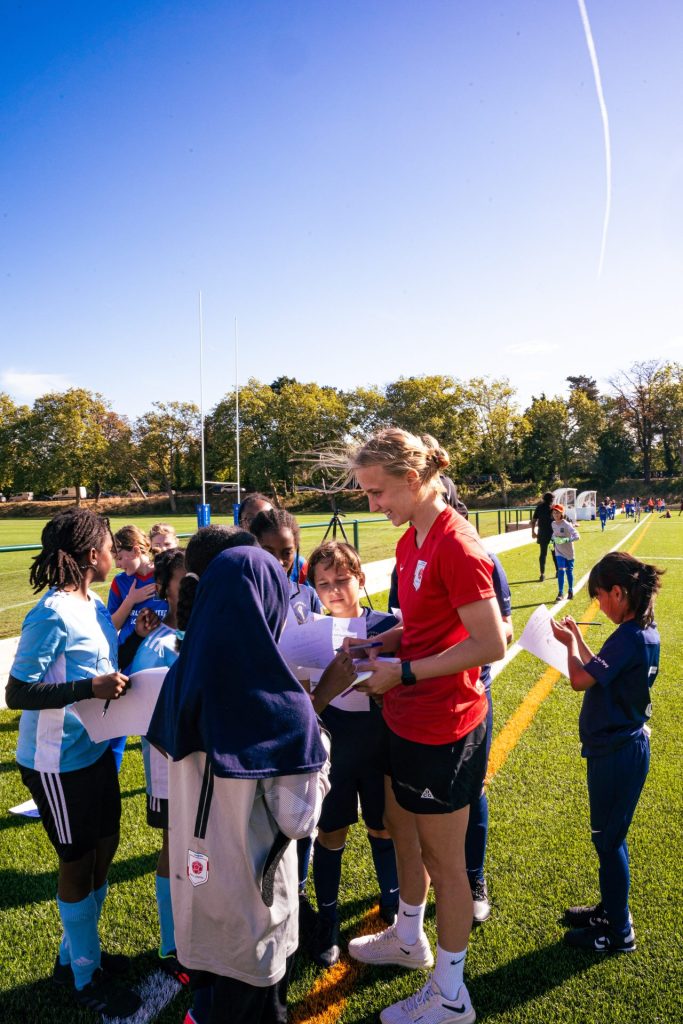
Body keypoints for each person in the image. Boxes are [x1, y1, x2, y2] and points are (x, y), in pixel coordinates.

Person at [337, 428, 506, 1024]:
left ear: (413, 480)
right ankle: (408, 939)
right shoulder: (414, 538)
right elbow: (425, 625)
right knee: (401, 832)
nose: (371, 504)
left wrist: (402, 672)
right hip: (406, 717)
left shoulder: (459, 546)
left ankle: (452, 996)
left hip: (444, 725)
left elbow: (491, 643)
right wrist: (384, 642)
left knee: (446, 865)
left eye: (377, 491)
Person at [147, 545, 331, 1024]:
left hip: (198, 885)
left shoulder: (179, 678)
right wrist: (320, 746)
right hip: (252, 905)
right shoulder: (280, 704)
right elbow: (298, 819)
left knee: (212, 994)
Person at [4, 508, 142, 1018]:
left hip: (97, 749)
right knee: (77, 861)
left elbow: (104, 666)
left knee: (105, 848)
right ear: (92, 555)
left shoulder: (96, 605)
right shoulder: (52, 612)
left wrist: (136, 635)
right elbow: (16, 691)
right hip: (55, 763)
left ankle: (75, 955)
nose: (115, 553)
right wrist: (88, 688)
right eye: (110, 545)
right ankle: (86, 977)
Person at [550, 552, 662, 953]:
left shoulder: (629, 638)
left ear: (619, 591)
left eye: (600, 596)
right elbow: (600, 669)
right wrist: (578, 639)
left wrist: (566, 645)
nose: (598, 604)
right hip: (621, 748)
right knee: (611, 838)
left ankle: (619, 932)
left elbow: (581, 679)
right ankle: (611, 910)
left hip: (617, 752)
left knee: (608, 841)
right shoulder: (642, 633)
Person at [304, 540, 400, 967]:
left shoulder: (387, 625)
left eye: (341, 579)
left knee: (384, 829)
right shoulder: (311, 634)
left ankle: (393, 909)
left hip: (381, 744)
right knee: (331, 833)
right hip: (335, 745)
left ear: (360, 579)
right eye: (323, 584)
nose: (333, 590)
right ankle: (327, 920)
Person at [127, 547, 188, 984]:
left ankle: (199, 932)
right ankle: (172, 943)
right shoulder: (156, 643)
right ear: (166, 587)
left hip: (210, 767)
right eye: (183, 581)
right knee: (175, 847)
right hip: (171, 768)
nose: (192, 589)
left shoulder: (212, 632)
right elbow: (145, 714)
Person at [108, 525, 167, 643]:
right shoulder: (119, 582)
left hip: (162, 655)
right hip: (129, 656)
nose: (117, 565)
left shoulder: (167, 575)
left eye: (119, 558)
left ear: (136, 551)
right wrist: (130, 601)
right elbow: (111, 626)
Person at [249, 507, 314, 597]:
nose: (279, 561)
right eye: (269, 553)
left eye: (287, 553)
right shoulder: (244, 597)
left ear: (295, 548)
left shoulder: (308, 597)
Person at [551, 504, 580, 602]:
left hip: (569, 553)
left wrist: (566, 540)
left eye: (557, 513)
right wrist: (551, 542)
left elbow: (577, 536)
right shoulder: (553, 524)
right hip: (559, 552)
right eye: (554, 512)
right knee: (561, 571)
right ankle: (560, 593)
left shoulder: (567, 524)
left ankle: (571, 590)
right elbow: (554, 534)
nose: (555, 514)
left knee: (569, 572)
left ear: (562, 513)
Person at [531, 492, 556, 582]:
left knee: (543, 554)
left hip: (542, 534)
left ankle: (542, 574)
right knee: (554, 553)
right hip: (552, 535)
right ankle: (557, 571)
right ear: (551, 499)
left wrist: (533, 532)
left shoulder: (539, 507)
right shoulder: (554, 507)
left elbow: (533, 521)